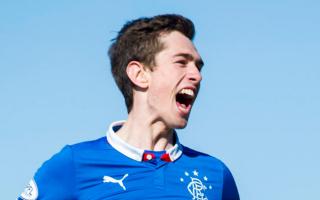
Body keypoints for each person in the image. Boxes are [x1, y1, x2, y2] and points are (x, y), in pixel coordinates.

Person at [19, 14, 240, 200]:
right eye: (181, 62)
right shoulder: (72, 165)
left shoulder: (216, 175)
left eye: (198, 66)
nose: (197, 76)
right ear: (139, 74)